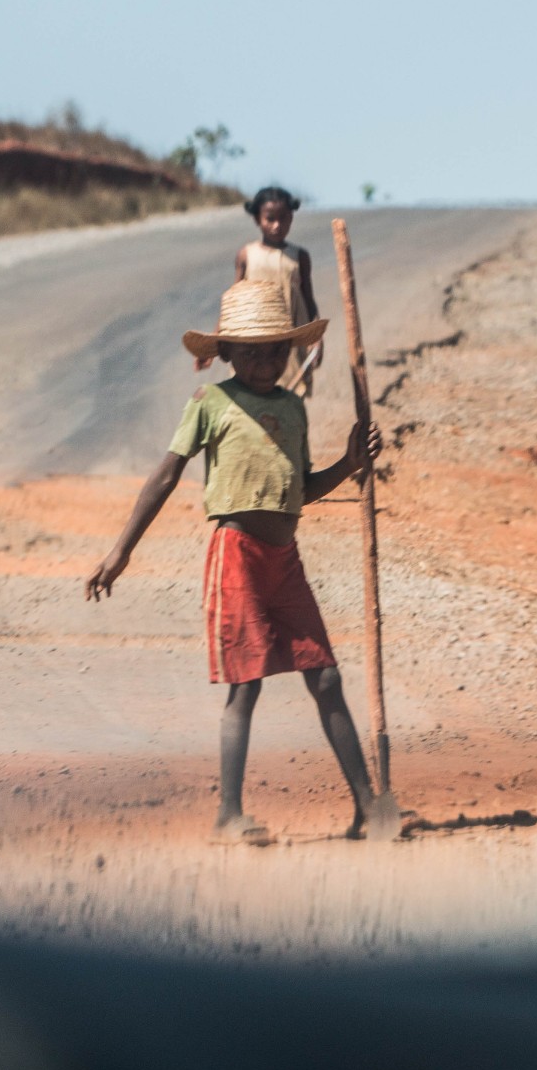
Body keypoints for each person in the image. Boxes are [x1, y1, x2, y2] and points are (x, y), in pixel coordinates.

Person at [86, 279, 383, 844]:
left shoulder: (293, 407)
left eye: (275, 349)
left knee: (326, 677)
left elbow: (302, 487)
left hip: (284, 559)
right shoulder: (210, 402)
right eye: (251, 350)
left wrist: (350, 462)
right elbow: (165, 475)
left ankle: (368, 806)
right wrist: (120, 551)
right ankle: (229, 814)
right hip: (236, 556)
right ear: (223, 353)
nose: (266, 360)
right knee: (246, 685)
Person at [202, 186, 322, 395]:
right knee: (249, 392)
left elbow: (308, 299)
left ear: (291, 218)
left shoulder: (299, 256)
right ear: (258, 219)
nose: (277, 225)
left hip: (288, 343)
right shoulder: (247, 255)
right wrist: (213, 343)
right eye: (270, 219)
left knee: (291, 394)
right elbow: (232, 301)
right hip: (252, 339)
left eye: (283, 218)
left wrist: (316, 337)